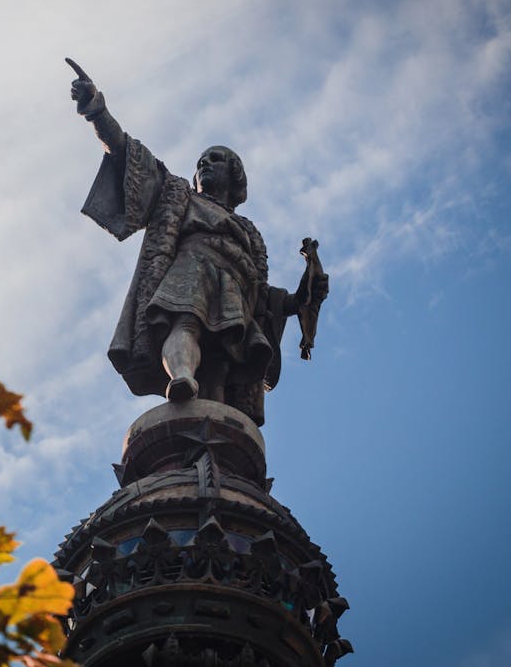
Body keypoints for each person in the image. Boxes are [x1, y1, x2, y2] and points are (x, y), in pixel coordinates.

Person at [69, 59, 327, 425]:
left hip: (235, 285)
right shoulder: (179, 195)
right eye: (202, 160)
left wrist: (303, 296)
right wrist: (97, 111)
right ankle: (182, 377)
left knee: (224, 359)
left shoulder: (249, 231)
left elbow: (265, 299)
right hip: (192, 267)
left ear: (235, 177)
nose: (206, 164)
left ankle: (216, 413)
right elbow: (129, 154)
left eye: (217, 160)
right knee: (184, 324)